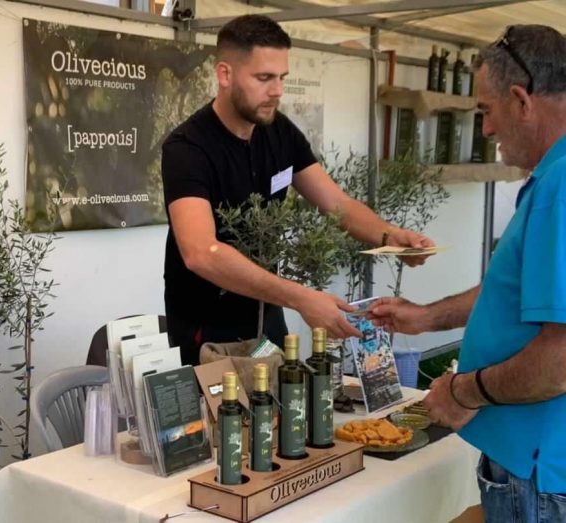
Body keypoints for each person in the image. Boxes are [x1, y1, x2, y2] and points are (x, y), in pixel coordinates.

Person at [369, 25, 566, 523]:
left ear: (521, 100)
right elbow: (517, 294)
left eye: (486, 111)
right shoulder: (552, 178)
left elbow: (560, 359)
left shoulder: (561, 185)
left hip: (540, 469)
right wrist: (427, 318)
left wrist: (463, 392)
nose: (487, 130)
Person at [161, 14, 433, 366]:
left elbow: (336, 203)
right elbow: (201, 252)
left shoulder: (280, 132)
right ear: (225, 74)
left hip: (267, 314)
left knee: (282, 396)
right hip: (206, 329)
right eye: (264, 78)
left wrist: (390, 236)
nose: (277, 91)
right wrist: (301, 297)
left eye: (282, 78)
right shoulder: (187, 148)